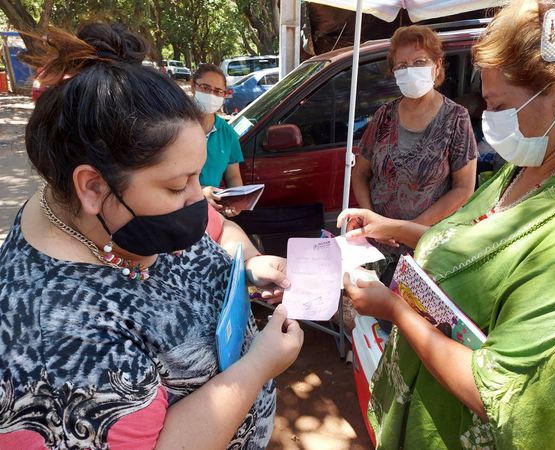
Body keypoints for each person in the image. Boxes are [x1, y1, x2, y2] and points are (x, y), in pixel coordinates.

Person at [0, 23, 303, 449]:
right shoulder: (60, 344)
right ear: (92, 186)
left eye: (197, 176)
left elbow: (221, 231)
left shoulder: (103, 211)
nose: (198, 199)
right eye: (179, 186)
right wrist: (258, 367)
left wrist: (250, 264)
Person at [339, 1, 555, 448]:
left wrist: (395, 309)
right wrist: (392, 227)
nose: (488, 117)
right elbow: (474, 247)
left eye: (498, 105)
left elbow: (505, 399)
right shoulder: (527, 165)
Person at [351, 25, 478, 277]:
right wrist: (370, 222)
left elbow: (463, 189)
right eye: (402, 66)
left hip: (425, 249)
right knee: (376, 314)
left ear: (437, 65)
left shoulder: (455, 118)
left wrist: (402, 229)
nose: (410, 71)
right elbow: (360, 173)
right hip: (377, 248)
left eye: (419, 61)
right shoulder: (383, 116)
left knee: (413, 315)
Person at [191, 63, 244, 217]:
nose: (211, 95)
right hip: (175, 213)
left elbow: (233, 176)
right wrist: (201, 193)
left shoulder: (228, 134)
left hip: (211, 215)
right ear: (193, 85)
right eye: (205, 88)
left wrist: (235, 200)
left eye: (218, 91)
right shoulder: (175, 126)